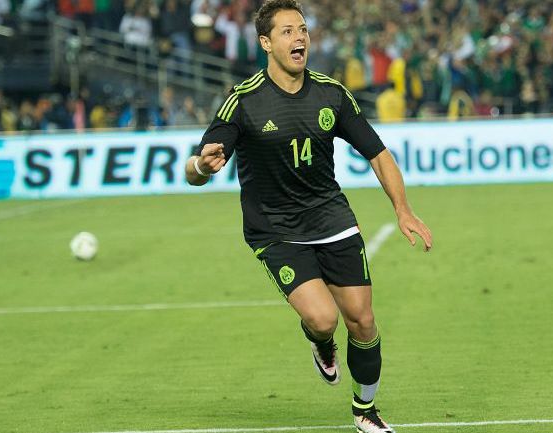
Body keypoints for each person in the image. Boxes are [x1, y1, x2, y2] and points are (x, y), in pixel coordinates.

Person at [184, 1, 432, 432]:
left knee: (363, 319)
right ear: (265, 43)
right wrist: (202, 168)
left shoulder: (331, 93)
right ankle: (321, 343)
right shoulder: (242, 102)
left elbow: (378, 154)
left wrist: (403, 209)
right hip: (275, 229)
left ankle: (365, 411)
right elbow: (194, 169)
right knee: (323, 319)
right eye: (287, 32)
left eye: (303, 30)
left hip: (331, 219)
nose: (299, 38)